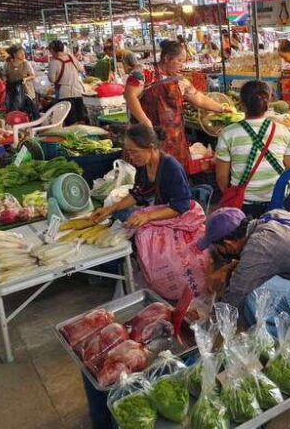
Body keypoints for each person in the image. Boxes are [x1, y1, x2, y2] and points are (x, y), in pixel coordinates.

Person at [89, 124, 210, 300]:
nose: (131, 156)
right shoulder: (143, 166)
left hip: (179, 218)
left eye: (135, 151)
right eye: (128, 152)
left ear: (151, 148)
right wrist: (109, 209)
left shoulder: (171, 166)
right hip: (162, 214)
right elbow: (137, 194)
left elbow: (181, 206)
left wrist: (147, 216)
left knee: (149, 239)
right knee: (126, 220)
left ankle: (173, 287)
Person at [124, 40, 231, 168]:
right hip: (147, 137)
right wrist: (145, 122)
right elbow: (130, 96)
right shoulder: (144, 72)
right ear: (167, 58)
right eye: (179, 60)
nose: (182, 64)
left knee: (174, 172)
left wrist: (221, 108)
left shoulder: (180, 80)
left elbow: (199, 98)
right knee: (150, 173)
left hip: (174, 139)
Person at [215, 81, 290, 219]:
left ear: (241, 104)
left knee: (249, 239)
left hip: (244, 205)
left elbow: (221, 177)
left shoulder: (228, 133)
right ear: (268, 104)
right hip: (279, 203)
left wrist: (232, 194)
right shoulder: (282, 131)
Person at [47, 40, 85, 125]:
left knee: (71, 119)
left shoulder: (53, 62)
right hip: (78, 91)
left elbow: (52, 79)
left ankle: (74, 135)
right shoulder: (71, 57)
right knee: (80, 117)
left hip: (64, 93)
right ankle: (83, 134)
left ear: (52, 50)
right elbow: (81, 69)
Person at [3, 45, 37, 117]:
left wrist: (25, 79)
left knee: (28, 110)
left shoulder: (26, 63)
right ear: (14, 54)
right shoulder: (7, 64)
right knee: (16, 110)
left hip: (26, 91)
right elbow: (4, 75)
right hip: (13, 92)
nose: (23, 54)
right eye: (21, 53)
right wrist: (4, 79)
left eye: (23, 53)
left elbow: (33, 75)